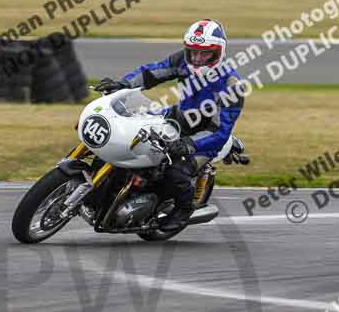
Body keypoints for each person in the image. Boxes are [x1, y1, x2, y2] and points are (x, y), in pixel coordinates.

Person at [94, 19, 247, 231]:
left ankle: (184, 209)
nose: (197, 58)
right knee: (129, 137)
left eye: (205, 53)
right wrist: (123, 85)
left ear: (218, 52)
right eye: (193, 52)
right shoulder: (184, 61)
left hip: (205, 139)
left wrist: (188, 144)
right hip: (176, 117)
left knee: (175, 170)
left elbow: (219, 131)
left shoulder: (232, 86)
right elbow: (153, 72)